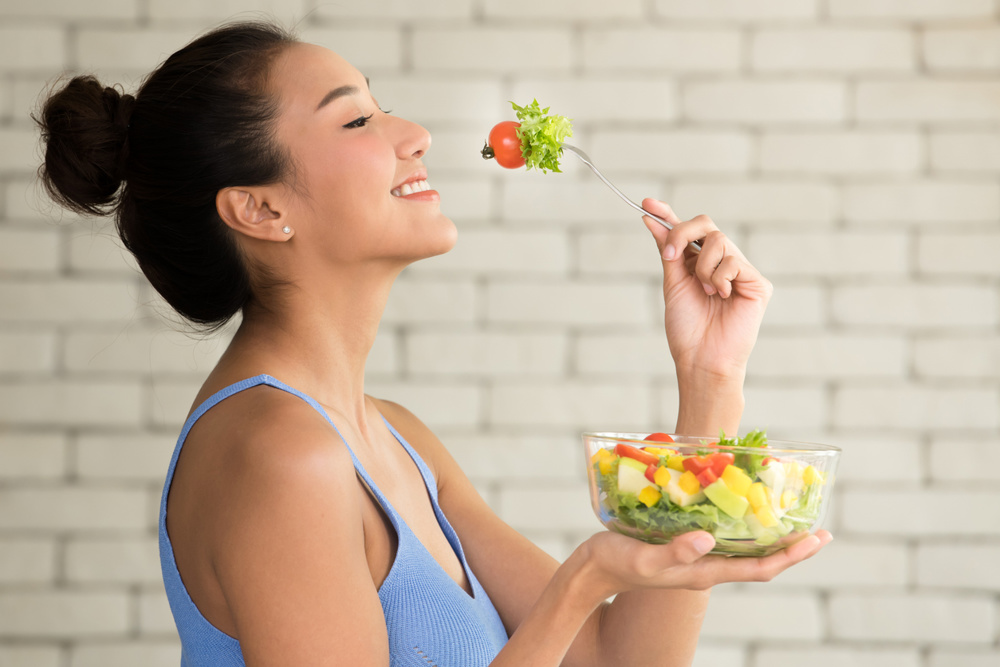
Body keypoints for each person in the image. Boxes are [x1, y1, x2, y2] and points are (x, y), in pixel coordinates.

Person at [35, 20, 831, 667]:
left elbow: (618, 660)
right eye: (356, 118)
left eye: (381, 106)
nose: (413, 134)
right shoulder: (277, 454)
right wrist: (582, 579)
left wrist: (710, 375)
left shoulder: (397, 437)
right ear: (258, 209)